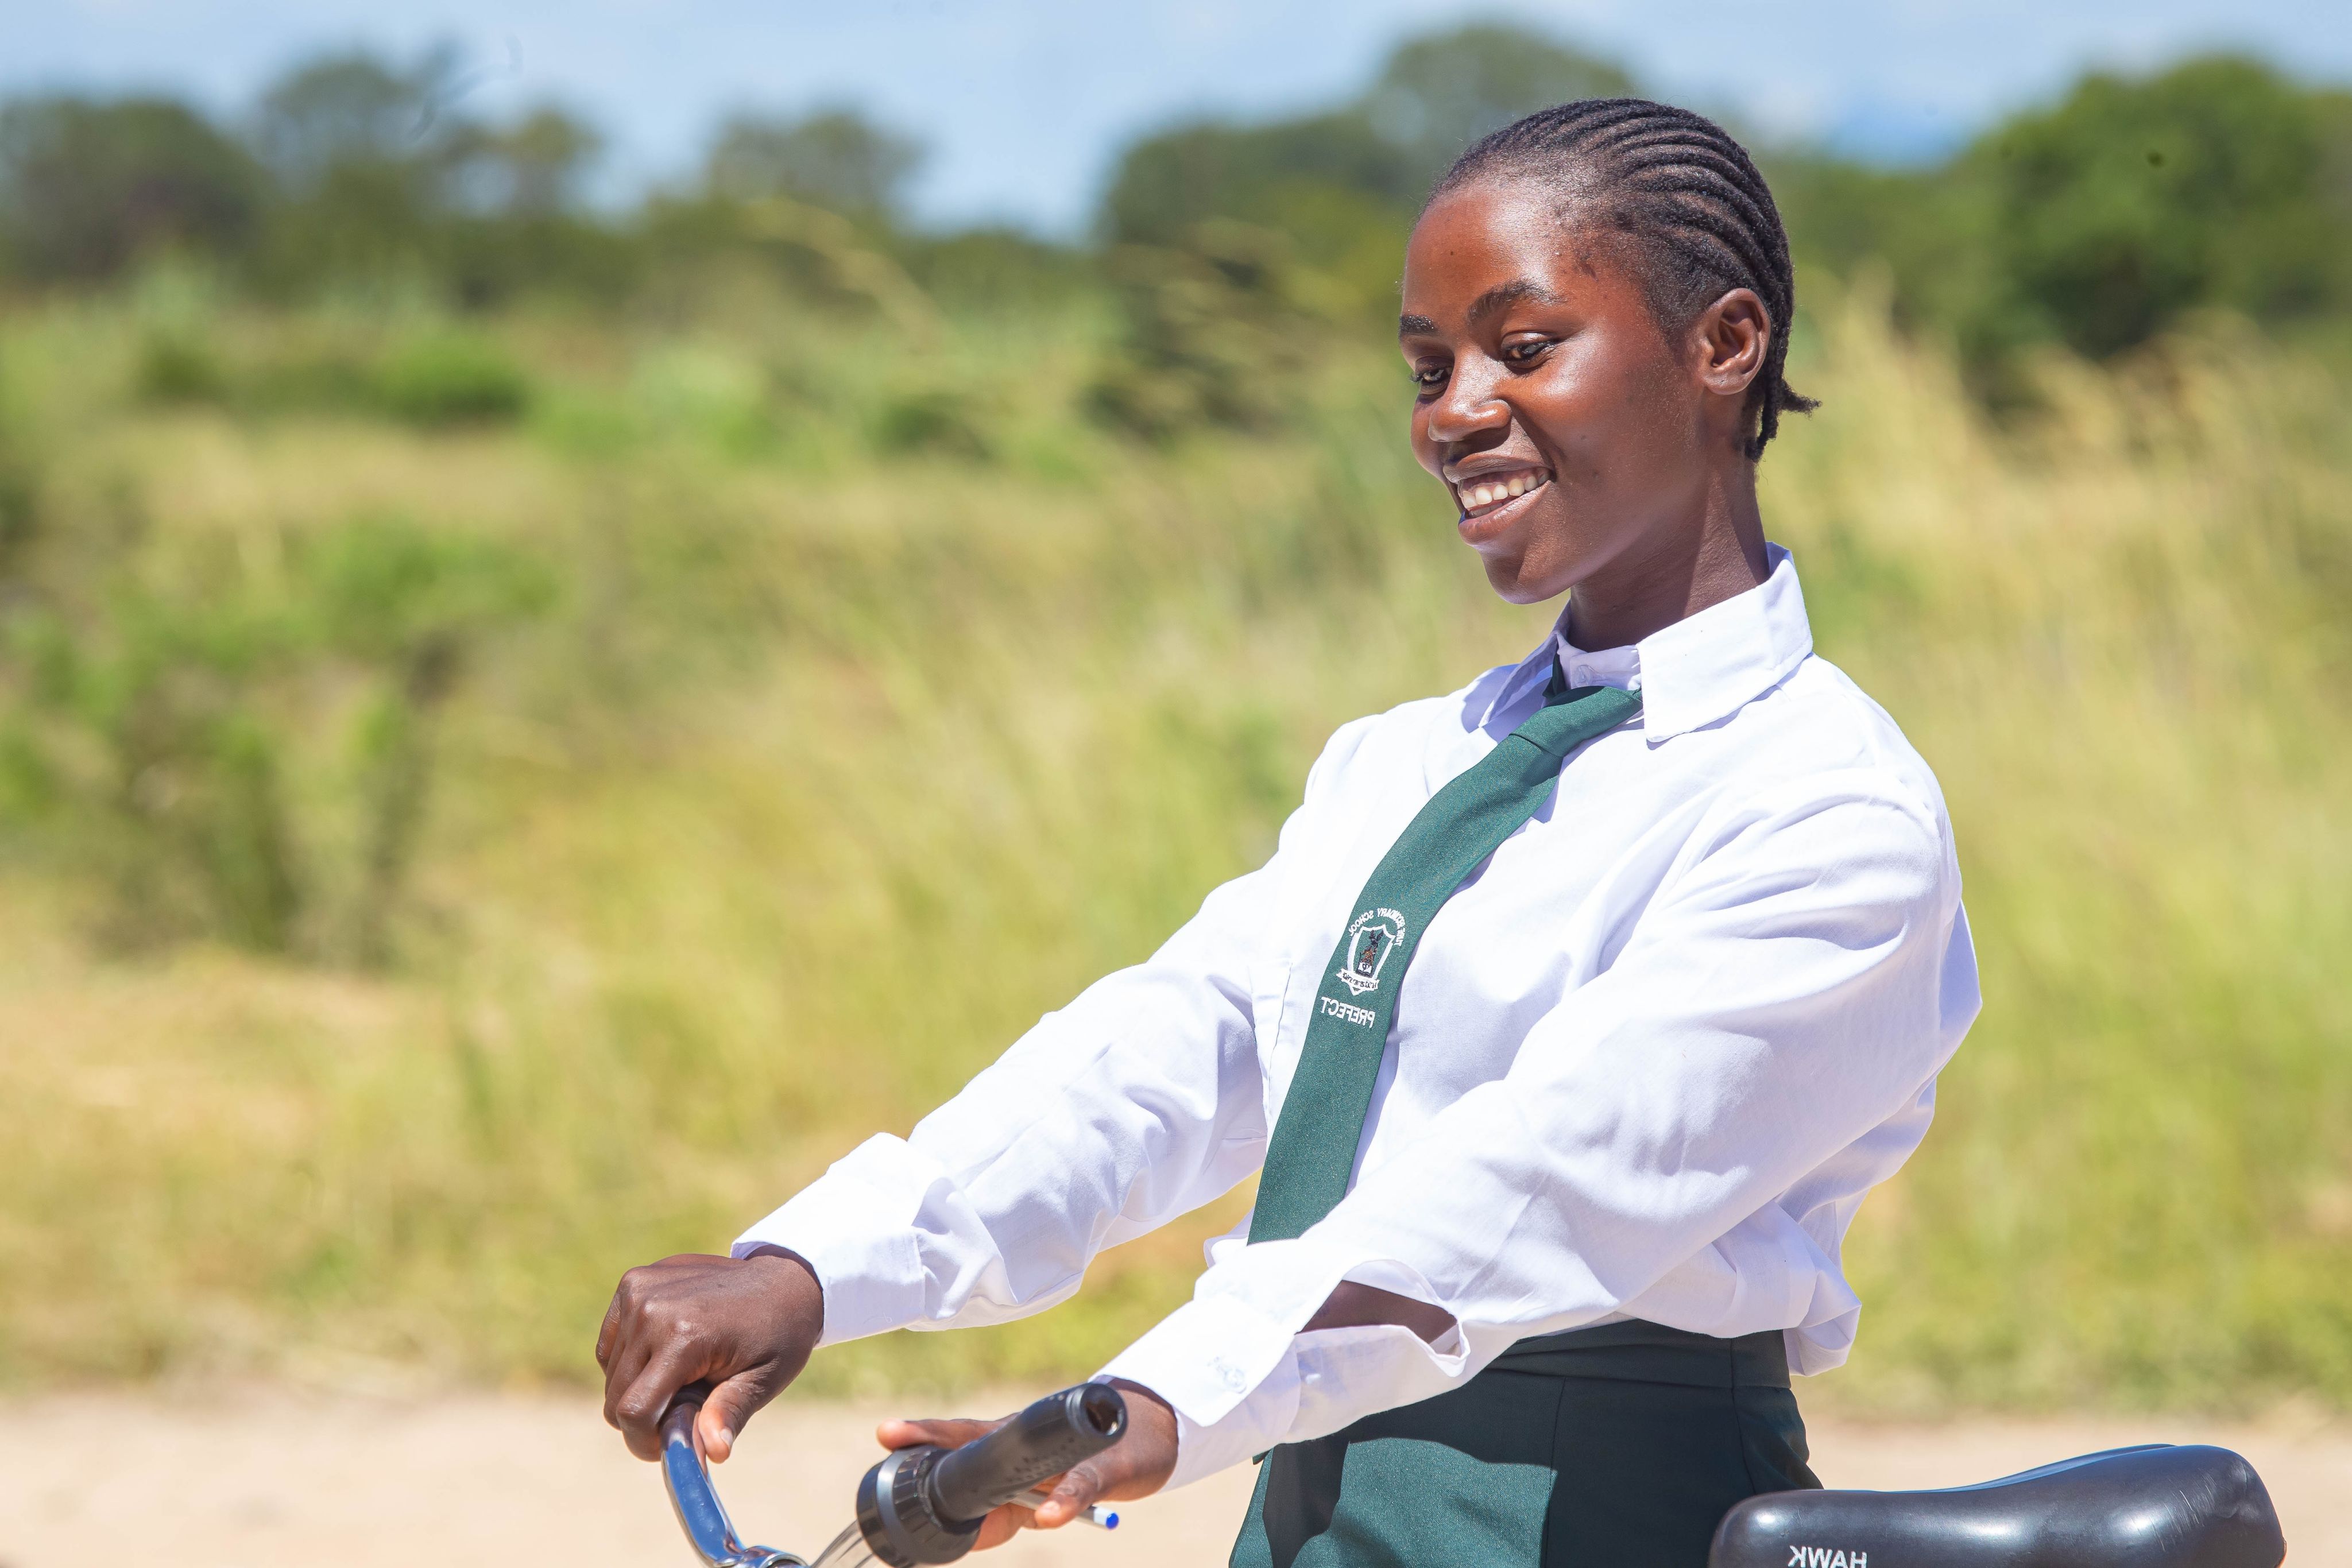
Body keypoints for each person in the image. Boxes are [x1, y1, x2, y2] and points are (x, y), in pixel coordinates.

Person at [596, 98, 1979, 1568]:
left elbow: (1535, 1188)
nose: (1453, 411)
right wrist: (816, 1265)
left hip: (1585, 1506)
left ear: (1723, 346)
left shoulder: (1825, 808)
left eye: (1523, 349)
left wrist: (1157, 1396)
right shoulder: (1411, 760)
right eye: (1426, 365)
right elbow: (1179, 1048)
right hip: (1317, 1485)